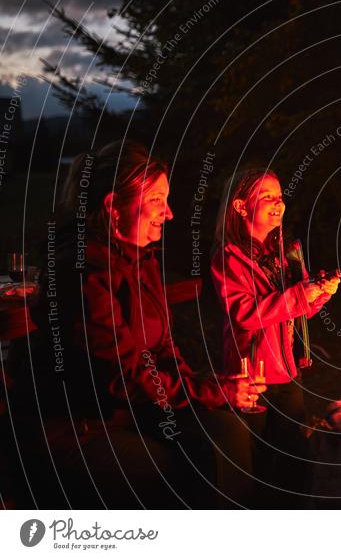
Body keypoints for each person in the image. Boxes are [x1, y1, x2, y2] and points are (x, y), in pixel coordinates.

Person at [10, 140, 265, 508]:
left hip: (133, 411)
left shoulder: (139, 259)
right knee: (185, 469)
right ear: (114, 207)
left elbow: (163, 348)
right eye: (157, 201)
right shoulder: (81, 272)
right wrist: (211, 392)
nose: (171, 213)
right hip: (78, 428)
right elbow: (123, 374)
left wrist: (210, 391)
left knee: (226, 429)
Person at [211, 167, 338, 508]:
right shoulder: (229, 258)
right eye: (266, 197)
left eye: (279, 196)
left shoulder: (283, 252)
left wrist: (319, 292)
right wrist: (300, 294)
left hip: (286, 372)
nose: (277, 203)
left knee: (296, 457)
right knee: (259, 463)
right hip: (251, 377)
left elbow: (296, 310)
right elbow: (245, 314)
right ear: (240, 207)